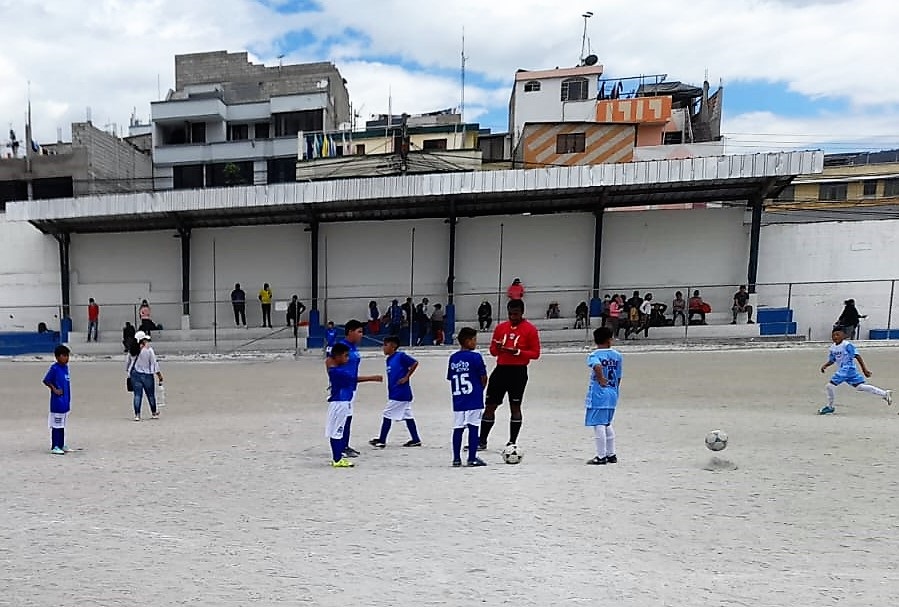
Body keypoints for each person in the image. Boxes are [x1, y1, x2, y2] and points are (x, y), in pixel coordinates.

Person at [480, 299, 541, 450]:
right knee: (490, 406)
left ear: (522, 312)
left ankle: (512, 442)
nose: (513, 317)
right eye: (510, 314)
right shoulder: (501, 328)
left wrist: (518, 352)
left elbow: (535, 353)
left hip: (518, 372)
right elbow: (493, 351)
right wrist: (499, 348)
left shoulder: (530, 329)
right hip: (501, 369)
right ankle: (482, 441)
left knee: (515, 406)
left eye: (516, 314)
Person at [326, 342, 383, 468]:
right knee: (338, 432)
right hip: (341, 404)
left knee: (334, 431)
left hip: (338, 403)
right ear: (338, 356)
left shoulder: (335, 370)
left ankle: (337, 457)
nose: (347, 358)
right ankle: (337, 459)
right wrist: (373, 378)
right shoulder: (338, 372)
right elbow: (354, 379)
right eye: (346, 356)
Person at [819, 327, 892, 415]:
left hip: (847, 368)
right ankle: (884, 393)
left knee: (830, 386)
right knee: (859, 387)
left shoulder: (847, 345)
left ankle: (830, 407)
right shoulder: (832, 348)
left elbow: (857, 356)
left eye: (837, 334)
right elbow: (832, 360)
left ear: (844, 336)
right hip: (846, 370)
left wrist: (864, 369)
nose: (835, 337)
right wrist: (825, 365)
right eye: (833, 335)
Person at [369, 336, 421, 448]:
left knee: (387, 414)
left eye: (385, 345)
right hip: (395, 391)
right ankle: (416, 439)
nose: (383, 348)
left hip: (400, 392)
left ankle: (382, 440)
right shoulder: (388, 359)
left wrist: (407, 377)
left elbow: (414, 363)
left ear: (393, 346)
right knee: (408, 416)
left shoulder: (401, 356)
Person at [447, 327, 488, 467]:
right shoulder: (476, 356)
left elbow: (451, 378)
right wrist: (480, 390)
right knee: (473, 427)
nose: (475, 343)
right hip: (474, 398)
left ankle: (456, 459)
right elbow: (483, 377)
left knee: (457, 428)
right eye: (474, 340)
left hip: (458, 399)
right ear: (467, 341)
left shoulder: (453, 358)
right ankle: (472, 458)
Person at [325, 319, 367, 458]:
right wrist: (334, 379)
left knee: (348, 417)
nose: (362, 334)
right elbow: (329, 361)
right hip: (343, 388)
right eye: (359, 331)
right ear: (350, 331)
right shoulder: (342, 346)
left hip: (351, 387)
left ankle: (344, 445)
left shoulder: (354, 347)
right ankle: (341, 446)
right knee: (344, 418)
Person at [584, 327, 622, 465]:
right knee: (607, 423)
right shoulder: (617, 355)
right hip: (612, 392)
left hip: (599, 393)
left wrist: (600, 379)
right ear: (609, 340)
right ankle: (611, 454)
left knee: (598, 424)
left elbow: (597, 366)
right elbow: (618, 376)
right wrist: (615, 389)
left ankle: (601, 456)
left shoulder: (594, 355)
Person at [43, 345, 72, 455]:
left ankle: (61, 444)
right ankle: (55, 445)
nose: (67, 358)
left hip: (65, 401)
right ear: (57, 357)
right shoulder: (54, 368)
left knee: (62, 425)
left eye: (67, 356)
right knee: (56, 425)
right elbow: (46, 380)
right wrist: (54, 389)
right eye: (64, 356)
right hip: (57, 402)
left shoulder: (65, 368)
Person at [129, 331, 163, 421]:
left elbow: (128, 363)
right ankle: (154, 412)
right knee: (151, 395)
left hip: (135, 374)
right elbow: (154, 363)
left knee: (137, 395)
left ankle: (137, 415)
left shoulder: (132, 350)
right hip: (147, 374)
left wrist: (129, 372)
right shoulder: (148, 350)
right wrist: (159, 375)